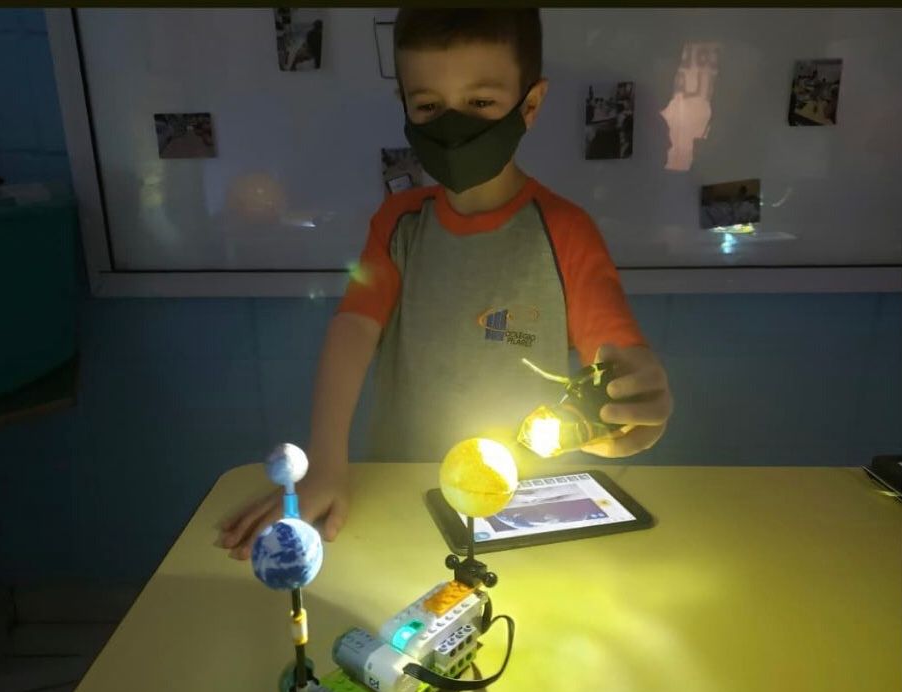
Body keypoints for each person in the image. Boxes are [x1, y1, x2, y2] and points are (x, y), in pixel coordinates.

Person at [217, 9, 673, 560]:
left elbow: (618, 360)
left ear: (529, 104)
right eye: (429, 106)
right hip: (402, 490)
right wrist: (327, 462)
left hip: (520, 509)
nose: (454, 125)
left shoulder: (566, 232)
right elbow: (353, 330)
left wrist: (633, 404)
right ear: (405, 107)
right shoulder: (398, 224)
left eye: (481, 102)